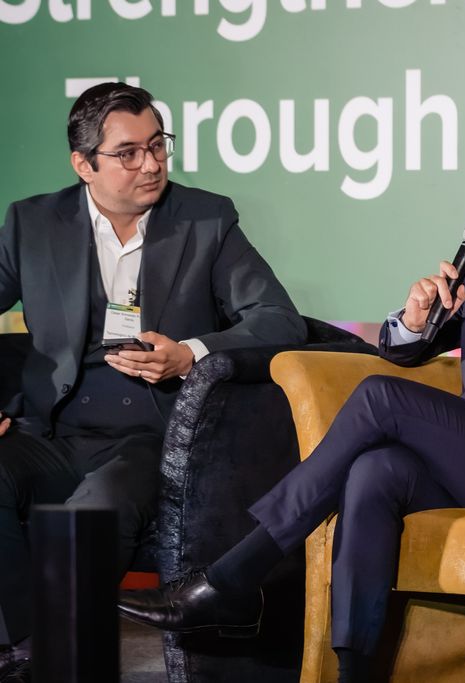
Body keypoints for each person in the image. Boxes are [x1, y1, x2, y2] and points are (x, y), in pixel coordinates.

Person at [118, 111, 465, 680]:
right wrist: (415, 321)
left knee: (380, 398)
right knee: (376, 471)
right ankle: (354, 670)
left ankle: (236, 576)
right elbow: (404, 352)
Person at [0, 82, 305, 681]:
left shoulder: (205, 219)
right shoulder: (31, 222)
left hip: (149, 433)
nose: (152, 163)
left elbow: (278, 318)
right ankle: (23, 648)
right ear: (84, 165)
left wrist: (190, 354)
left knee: (92, 513)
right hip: (49, 429)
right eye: (129, 153)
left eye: (158, 145)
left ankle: (57, 662)